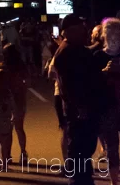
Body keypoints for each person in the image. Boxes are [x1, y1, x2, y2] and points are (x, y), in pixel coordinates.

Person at [53, 14, 106, 185]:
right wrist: (80, 107)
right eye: (80, 27)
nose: (84, 30)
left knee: (84, 149)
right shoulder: (66, 52)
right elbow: (68, 86)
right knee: (80, 148)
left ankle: (84, 178)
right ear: (69, 31)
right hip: (79, 111)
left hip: (83, 108)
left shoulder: (74, 48)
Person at [94, 18, 120, 185]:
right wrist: (103, 73)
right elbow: (90, 82)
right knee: (111, 146)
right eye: (110, 32)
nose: (113, 36)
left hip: (111, 106)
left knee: (111, 146)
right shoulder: (97, 56)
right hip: (107, 106)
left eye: (116, 32)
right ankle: (114, 180)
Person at [0, 43, 28, 163]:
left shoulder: (2, 67)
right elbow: (28, 81)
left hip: (5, 100)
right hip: (19, 98)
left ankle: (7, 155)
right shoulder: (21, 66)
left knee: (8, 129)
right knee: (19, 128)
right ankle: (23, 152)